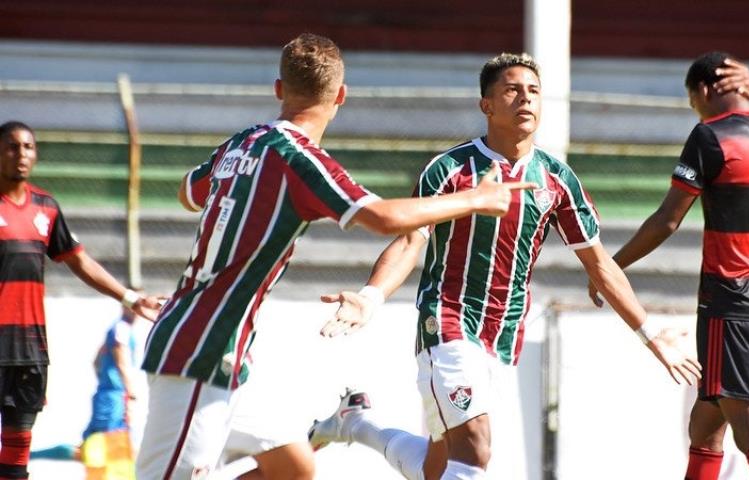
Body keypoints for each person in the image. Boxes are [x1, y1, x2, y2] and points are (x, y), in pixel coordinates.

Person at [135, 33, 534, 480]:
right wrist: (476, 200)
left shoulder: (243, 142)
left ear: (279, 89)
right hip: (200, 352)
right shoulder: (299, 158)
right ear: (341, 96)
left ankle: (334, 431)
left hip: (219, 346)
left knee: (294, 469)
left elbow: (189, 192)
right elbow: (384, 217)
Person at [309, 52, 702, 480]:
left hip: (504, 332)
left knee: (437, 466)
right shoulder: (450, 169)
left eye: (533, 91)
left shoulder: (557, 179)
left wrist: (649, 334)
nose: (526, 99)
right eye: (512, 90)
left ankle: (356, 423)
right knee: (477, 448)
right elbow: (409, 242)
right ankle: (357, 425)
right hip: (448, 321)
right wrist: (370, 297)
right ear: (487, 106)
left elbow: (599, 263)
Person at [587, 52, 749, 480]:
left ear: (703, 91)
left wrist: (610, 265)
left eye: (691, 101)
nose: (694, 110)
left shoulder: (710, 137)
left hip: (730, 303)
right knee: (705, 425)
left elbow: (667, 220)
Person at [0, 120, 162, 480]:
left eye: (28, 147)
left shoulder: (46, 208)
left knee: (14, 462)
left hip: (27, 351)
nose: (21, 154)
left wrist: (130, 297)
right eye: (12, 146)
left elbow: (79, 260)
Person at [31, 300, 142, 479]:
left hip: (107, 394)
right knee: (106, 446)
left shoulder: (115, 328)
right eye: (135, 306)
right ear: (125, 306)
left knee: (93, 448)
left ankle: (27, 456)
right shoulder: (122, 328)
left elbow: (97, 361)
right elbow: (121, 360)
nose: (138, 312)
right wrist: (129, 390)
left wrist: (106, 381)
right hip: (114, 398)